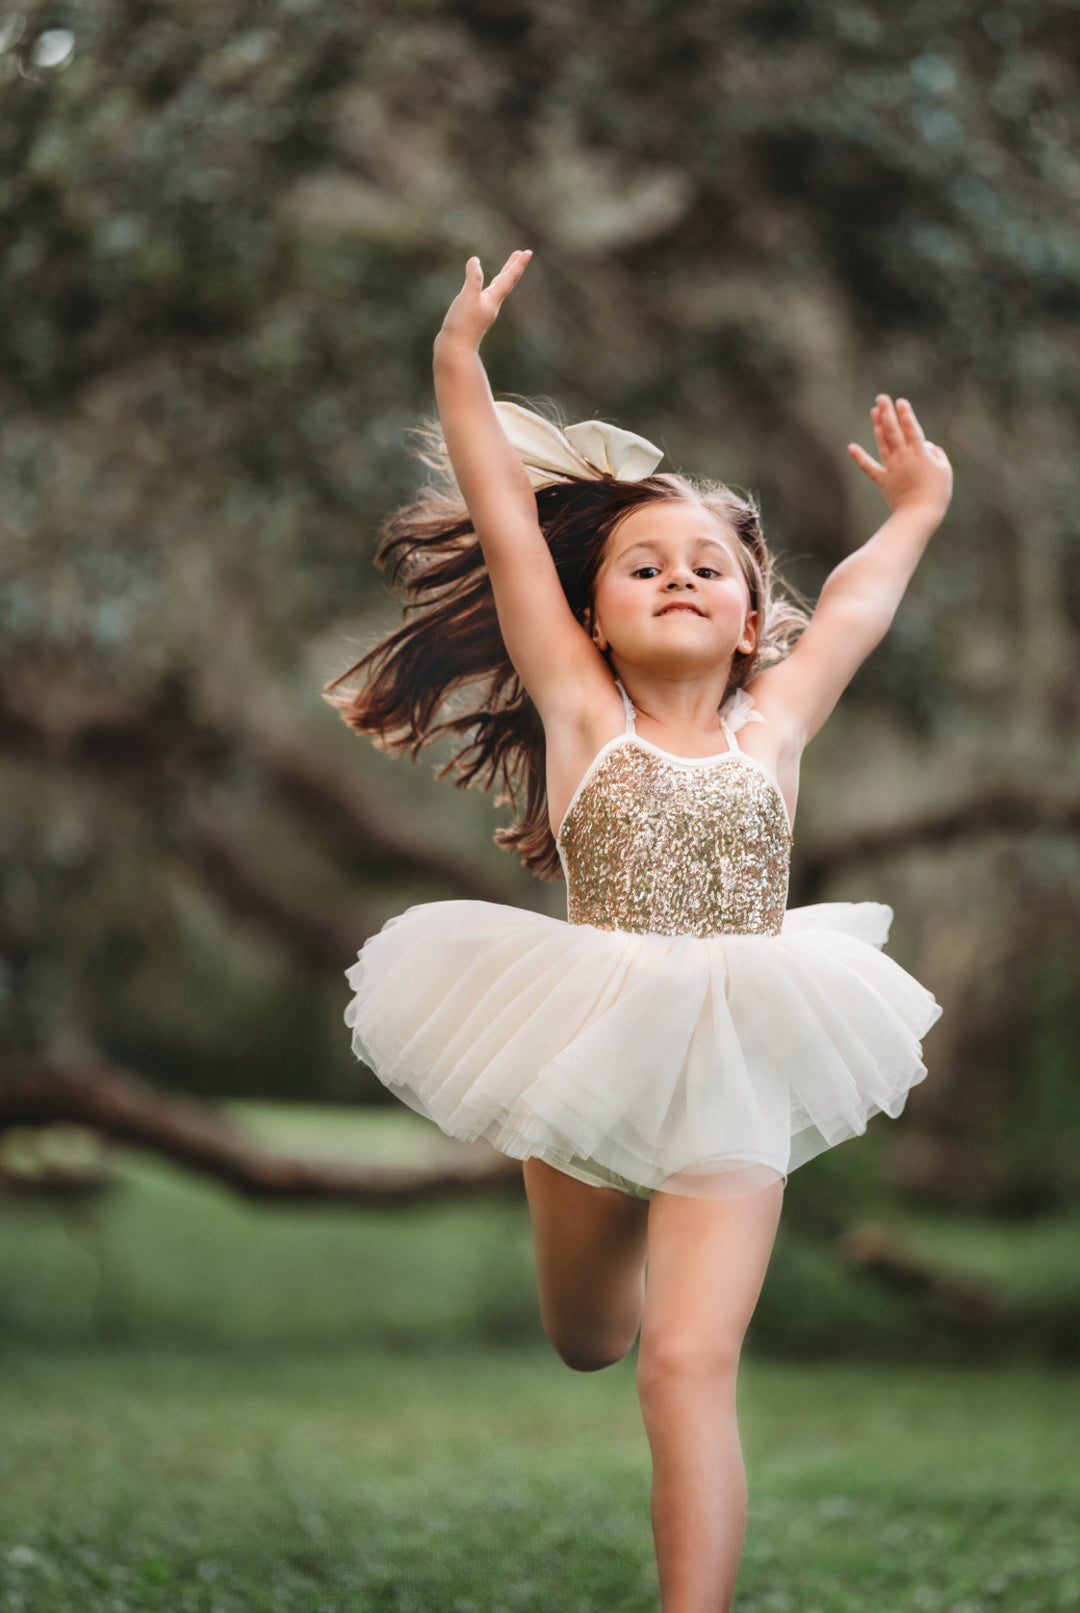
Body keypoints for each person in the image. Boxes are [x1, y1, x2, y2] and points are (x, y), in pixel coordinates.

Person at [324, 249, 952, 1613]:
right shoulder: (582, 717)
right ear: (593, 618)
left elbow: (854, 604)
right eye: (644, 564)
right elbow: (502, 521)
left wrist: (916, 508)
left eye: (710, 568)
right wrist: (459, 366)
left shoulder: (773, 724)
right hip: (589, 1033)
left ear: (745, 620)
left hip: (740, 1046)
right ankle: (585, 1301)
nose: (680, 579)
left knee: (685, 1360)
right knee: (592, 1337)